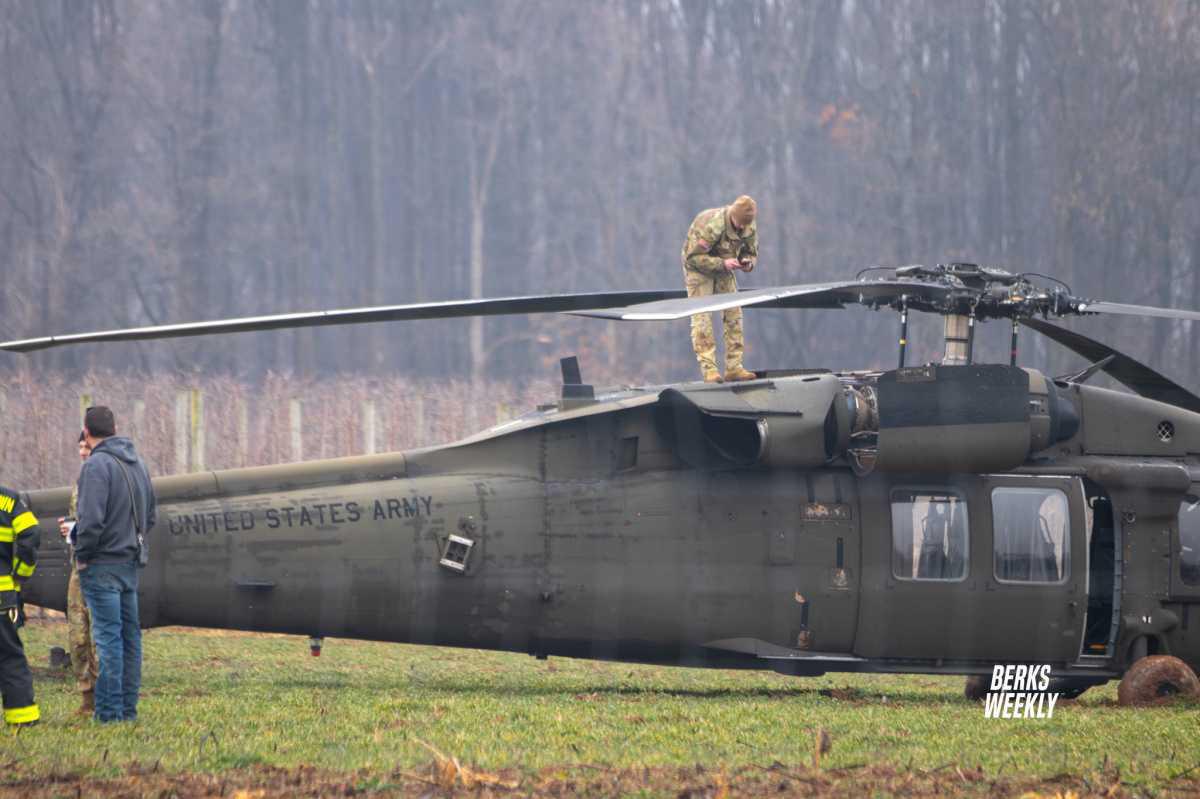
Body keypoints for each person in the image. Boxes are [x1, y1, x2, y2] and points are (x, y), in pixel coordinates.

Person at [75, 406, 156, 723]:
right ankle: (127, 710)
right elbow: (151, 516)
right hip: (129, 563)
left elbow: (92, 521)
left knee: (108, 639)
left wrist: (82, 552)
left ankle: (108, 714)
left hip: (101, 564)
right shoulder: (137, 463)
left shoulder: (96, 466)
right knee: (129, 638)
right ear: (114, 428)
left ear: (86, 430)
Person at [680, 194, 759, 383]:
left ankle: (734, 367)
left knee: (734, 315)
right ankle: (709, 370)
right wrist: (722, 263)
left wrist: (747, 263)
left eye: (744, 225)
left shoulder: (749, 226)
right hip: (699, 269)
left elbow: (751, 251)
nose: (740, 228)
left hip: (727, 265)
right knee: (702, 317)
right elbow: (693, 258)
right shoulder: (711, 225)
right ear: (732, 215)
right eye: (737, 223)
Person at [58, 432, 98, 716]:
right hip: (79, 564)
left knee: (98, 634)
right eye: (80, 447)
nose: (83, 452)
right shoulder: (82, 480)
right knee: (77, 632)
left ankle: (104, 697)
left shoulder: (103, 477)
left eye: (87, 445)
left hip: (100, 564)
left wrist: (78, 531)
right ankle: (87, 696)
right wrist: (70, 530)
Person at [0, 483, 41, 725]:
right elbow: (31, 534)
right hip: (2, 591)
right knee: (8, 655)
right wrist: (20, 574)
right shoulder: (8, 499)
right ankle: (23, 718)